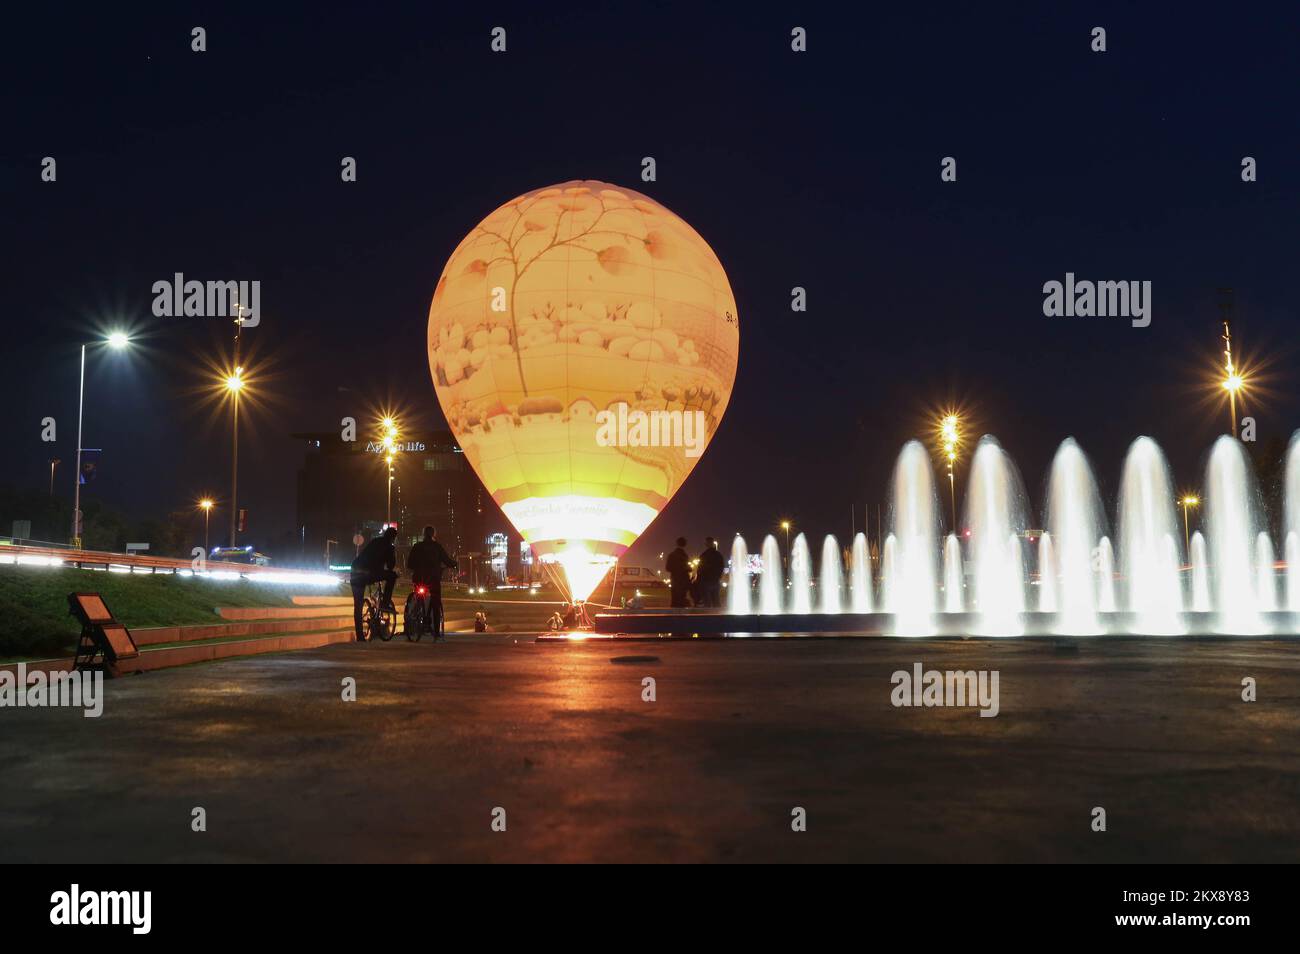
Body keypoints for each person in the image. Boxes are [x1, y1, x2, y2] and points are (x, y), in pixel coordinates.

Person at [407, 525, 458, 637]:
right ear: (433, 534)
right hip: (433, 578)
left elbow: (409, 563)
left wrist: (416, 568)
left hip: (419, 577)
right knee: (435, 601)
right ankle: (436, 632)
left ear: (423, 534)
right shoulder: (437, 547)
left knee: (418, 594)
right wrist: (454, 564)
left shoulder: (417, 546)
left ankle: (415, 613)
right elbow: (447, 561)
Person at [350, 527, 398, 641]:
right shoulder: (389, 546)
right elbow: (391, 566)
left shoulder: (375, 541)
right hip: (371, 573)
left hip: (356, 571)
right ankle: (385, 603)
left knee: (358, 605)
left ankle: (360, 637)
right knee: (392, 576)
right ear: (393, 538)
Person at [696, 536, 725, 608]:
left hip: (706, 581)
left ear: (706, 544)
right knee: (716, 601)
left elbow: (700, 569)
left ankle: (708, 616)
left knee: (707, 602)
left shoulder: (704, 555)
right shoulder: (718, 555)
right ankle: (719, 617)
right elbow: (722, 567)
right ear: (713, 543)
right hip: (715, 580)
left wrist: (698, 580)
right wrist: (719, 576)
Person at [665, 537, 692, 608]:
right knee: (682, 600)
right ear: (685, 544)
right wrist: (688, 569)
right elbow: (687, 568)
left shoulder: (672, 555)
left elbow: (668, 568)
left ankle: (674, 616)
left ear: (676, 544)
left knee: (675, 600)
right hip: (684, 580)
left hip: (675, 580)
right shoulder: (685, 556)